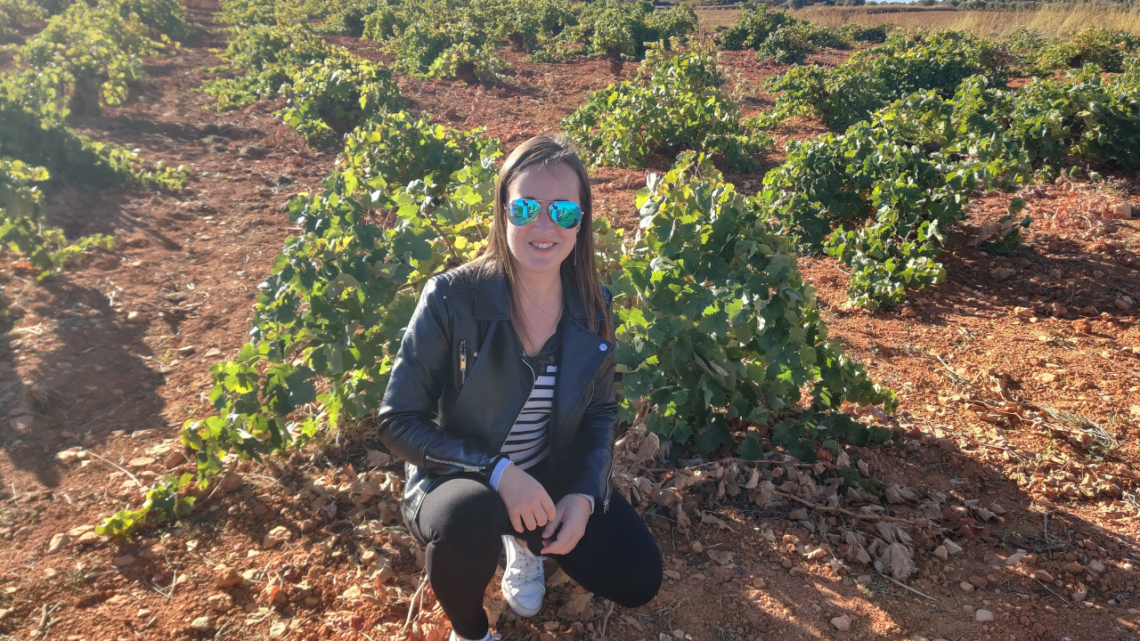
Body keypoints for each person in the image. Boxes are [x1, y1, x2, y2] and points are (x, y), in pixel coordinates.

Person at [376, 136, 662, 641]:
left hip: (547, 475)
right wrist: (498, 471)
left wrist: (584, 493)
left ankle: (526, 542)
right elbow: (397, 421)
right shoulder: (451, 298)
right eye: (526, 207)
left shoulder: (594, 305)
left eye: (563, 212)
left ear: (582, 220)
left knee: (638, 575)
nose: (544, 226)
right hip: (457, 477)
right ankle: (471, 632)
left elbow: (599, 413)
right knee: (469, 514)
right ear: (503, 211)